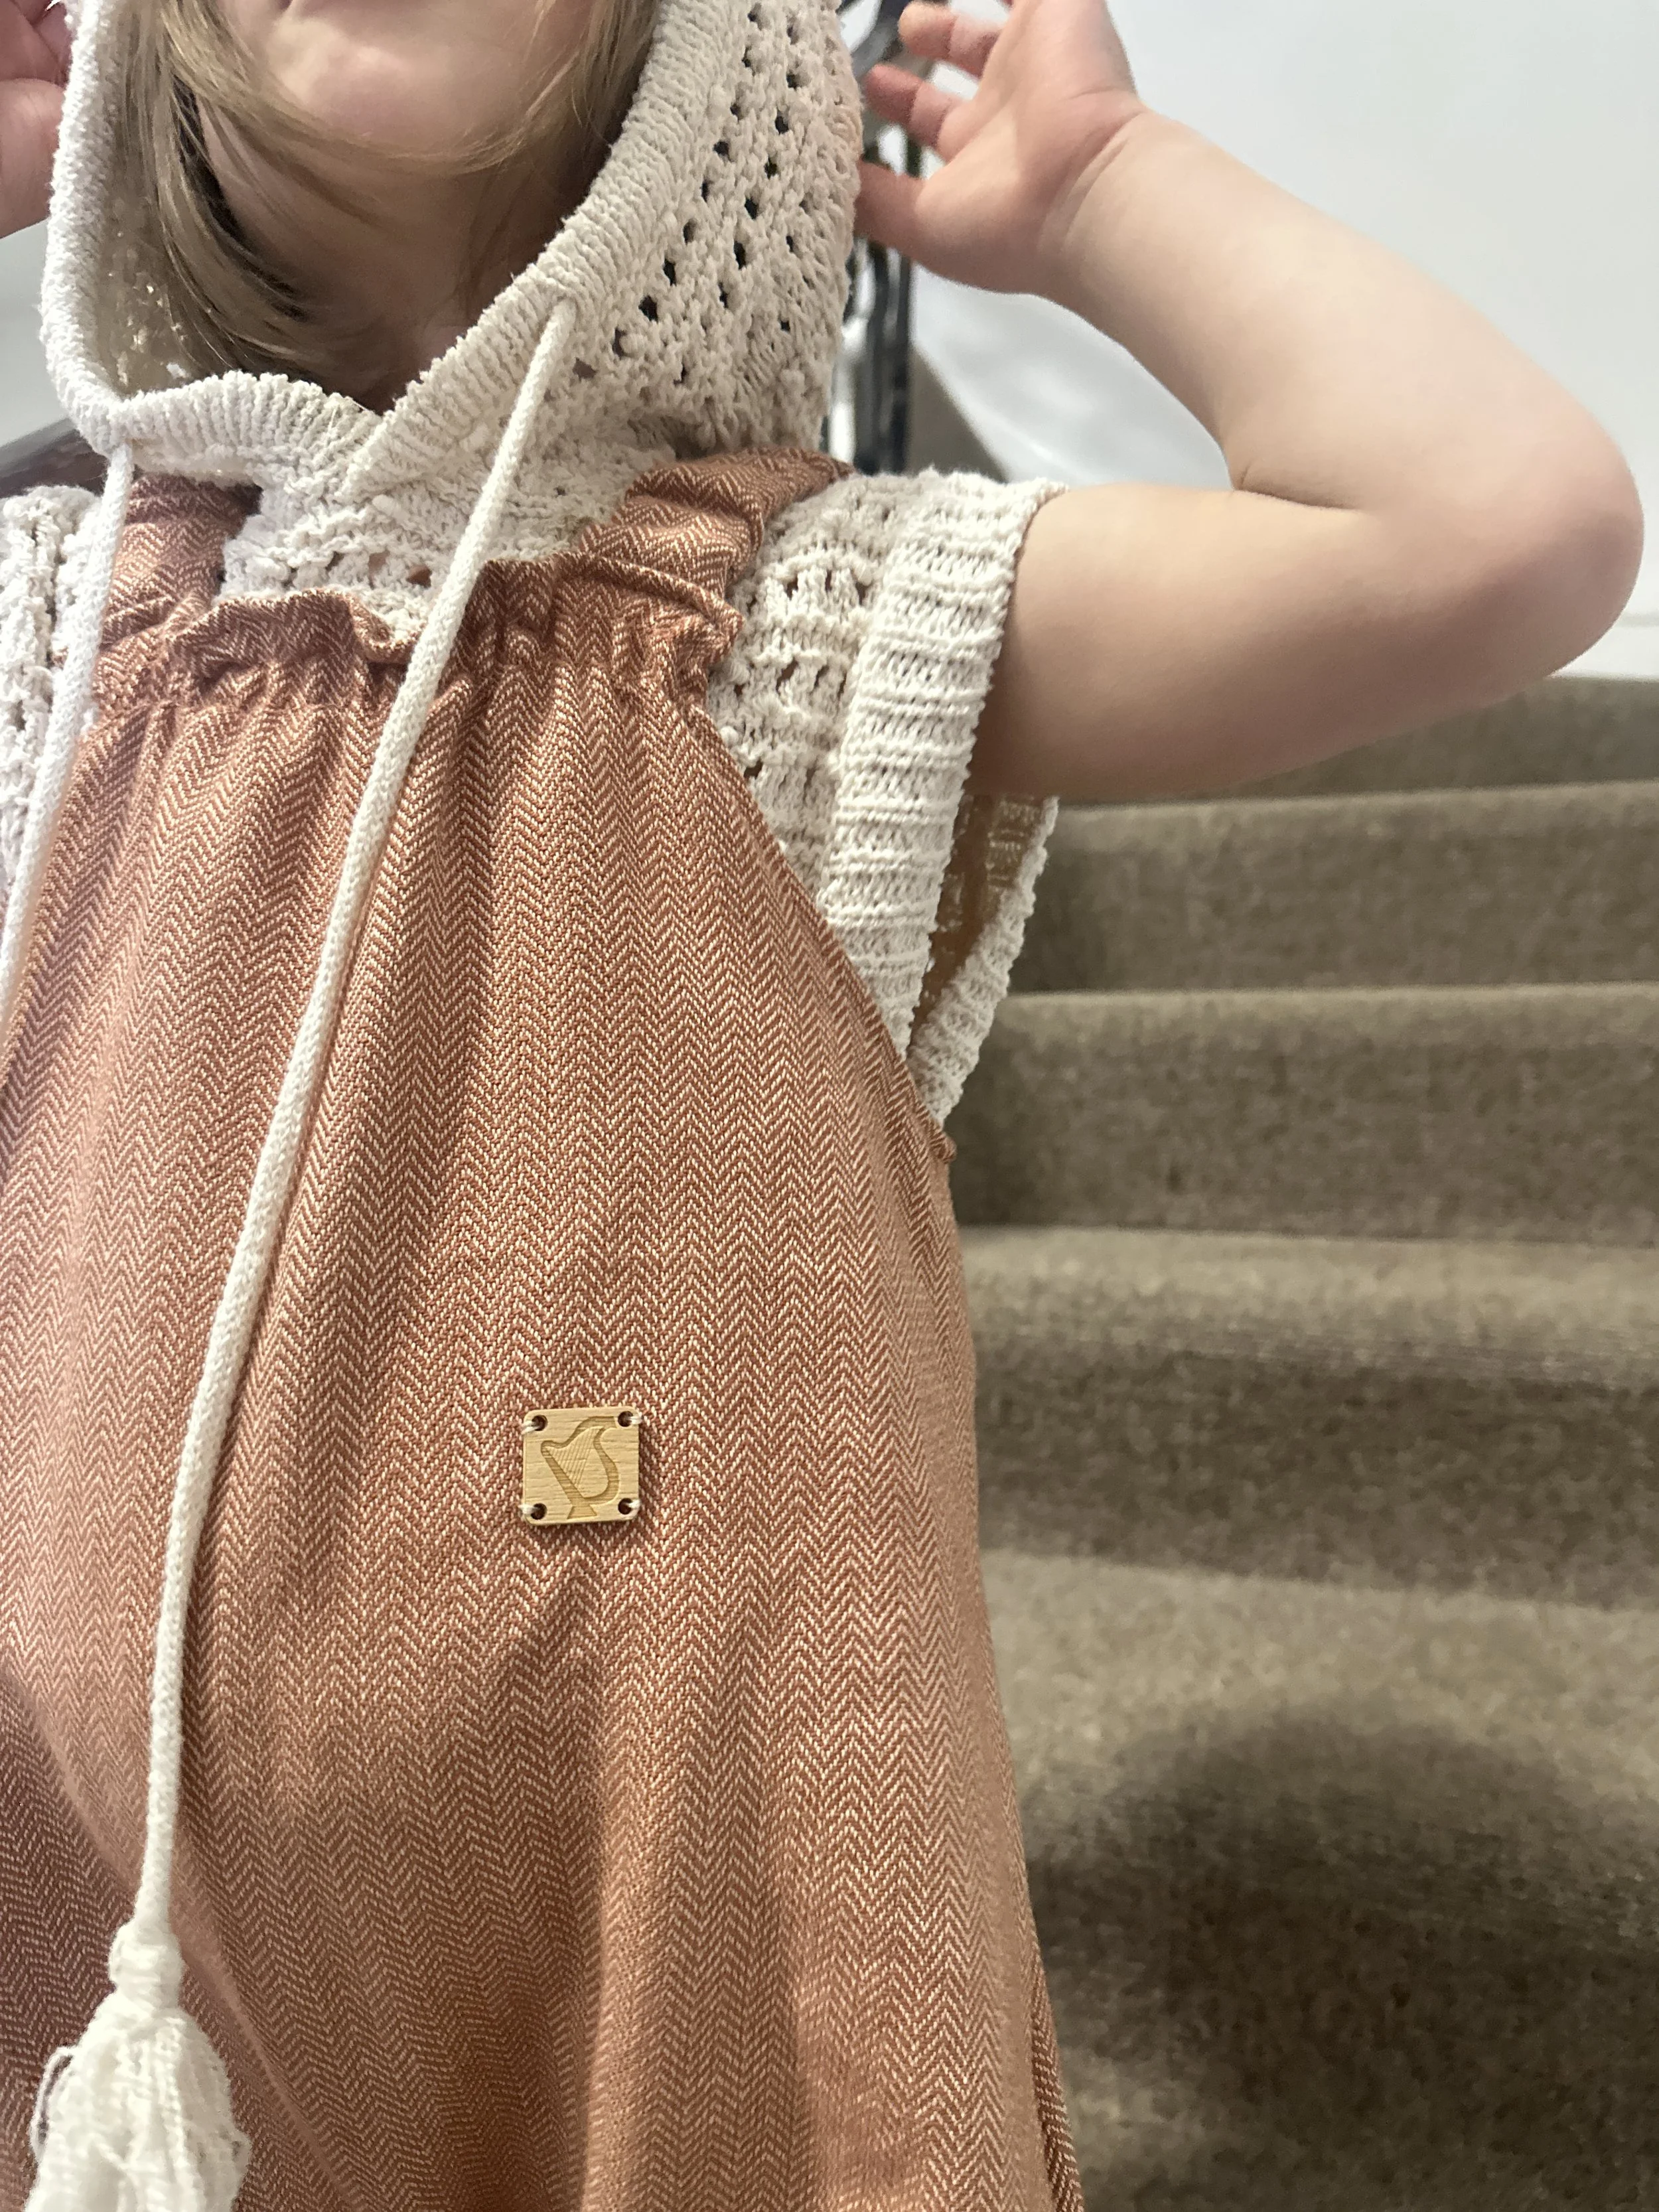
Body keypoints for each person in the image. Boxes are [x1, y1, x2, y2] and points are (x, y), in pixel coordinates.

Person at [0, 1, 1641, 2208]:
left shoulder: (816, 626)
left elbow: (1498, 527)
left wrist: (1093, 202)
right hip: (133, 1992)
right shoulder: (54, 638)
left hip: (696, 2003)